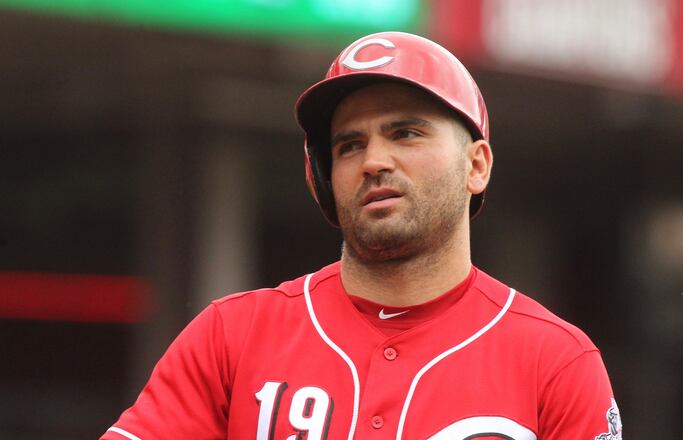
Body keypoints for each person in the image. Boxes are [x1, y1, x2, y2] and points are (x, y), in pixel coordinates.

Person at [102, 31, 621, 440]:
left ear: (476, 165)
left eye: (405, 133)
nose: (374, 161)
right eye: (349, 145)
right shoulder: (231, 337)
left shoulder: (556, 363)